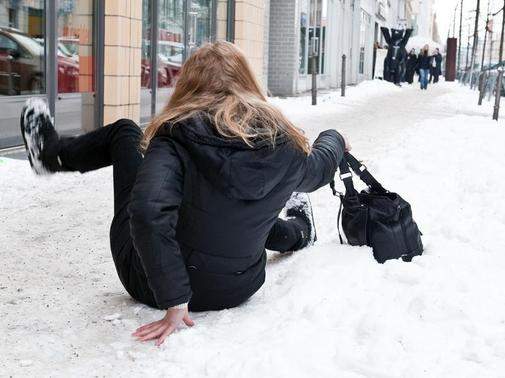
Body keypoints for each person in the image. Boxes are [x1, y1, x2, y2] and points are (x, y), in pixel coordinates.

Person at [19, 41, 349, 346]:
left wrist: (175, 299)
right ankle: (300, 233)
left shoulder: (176, 136)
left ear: (188, 84)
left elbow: (148, 212)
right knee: (235, 215)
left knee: (125, 133)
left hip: (153, 286)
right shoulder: (283, 144)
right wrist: (335, 138)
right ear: (249, 82)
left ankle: (51, 155)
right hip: (238, 286)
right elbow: (318, 170)